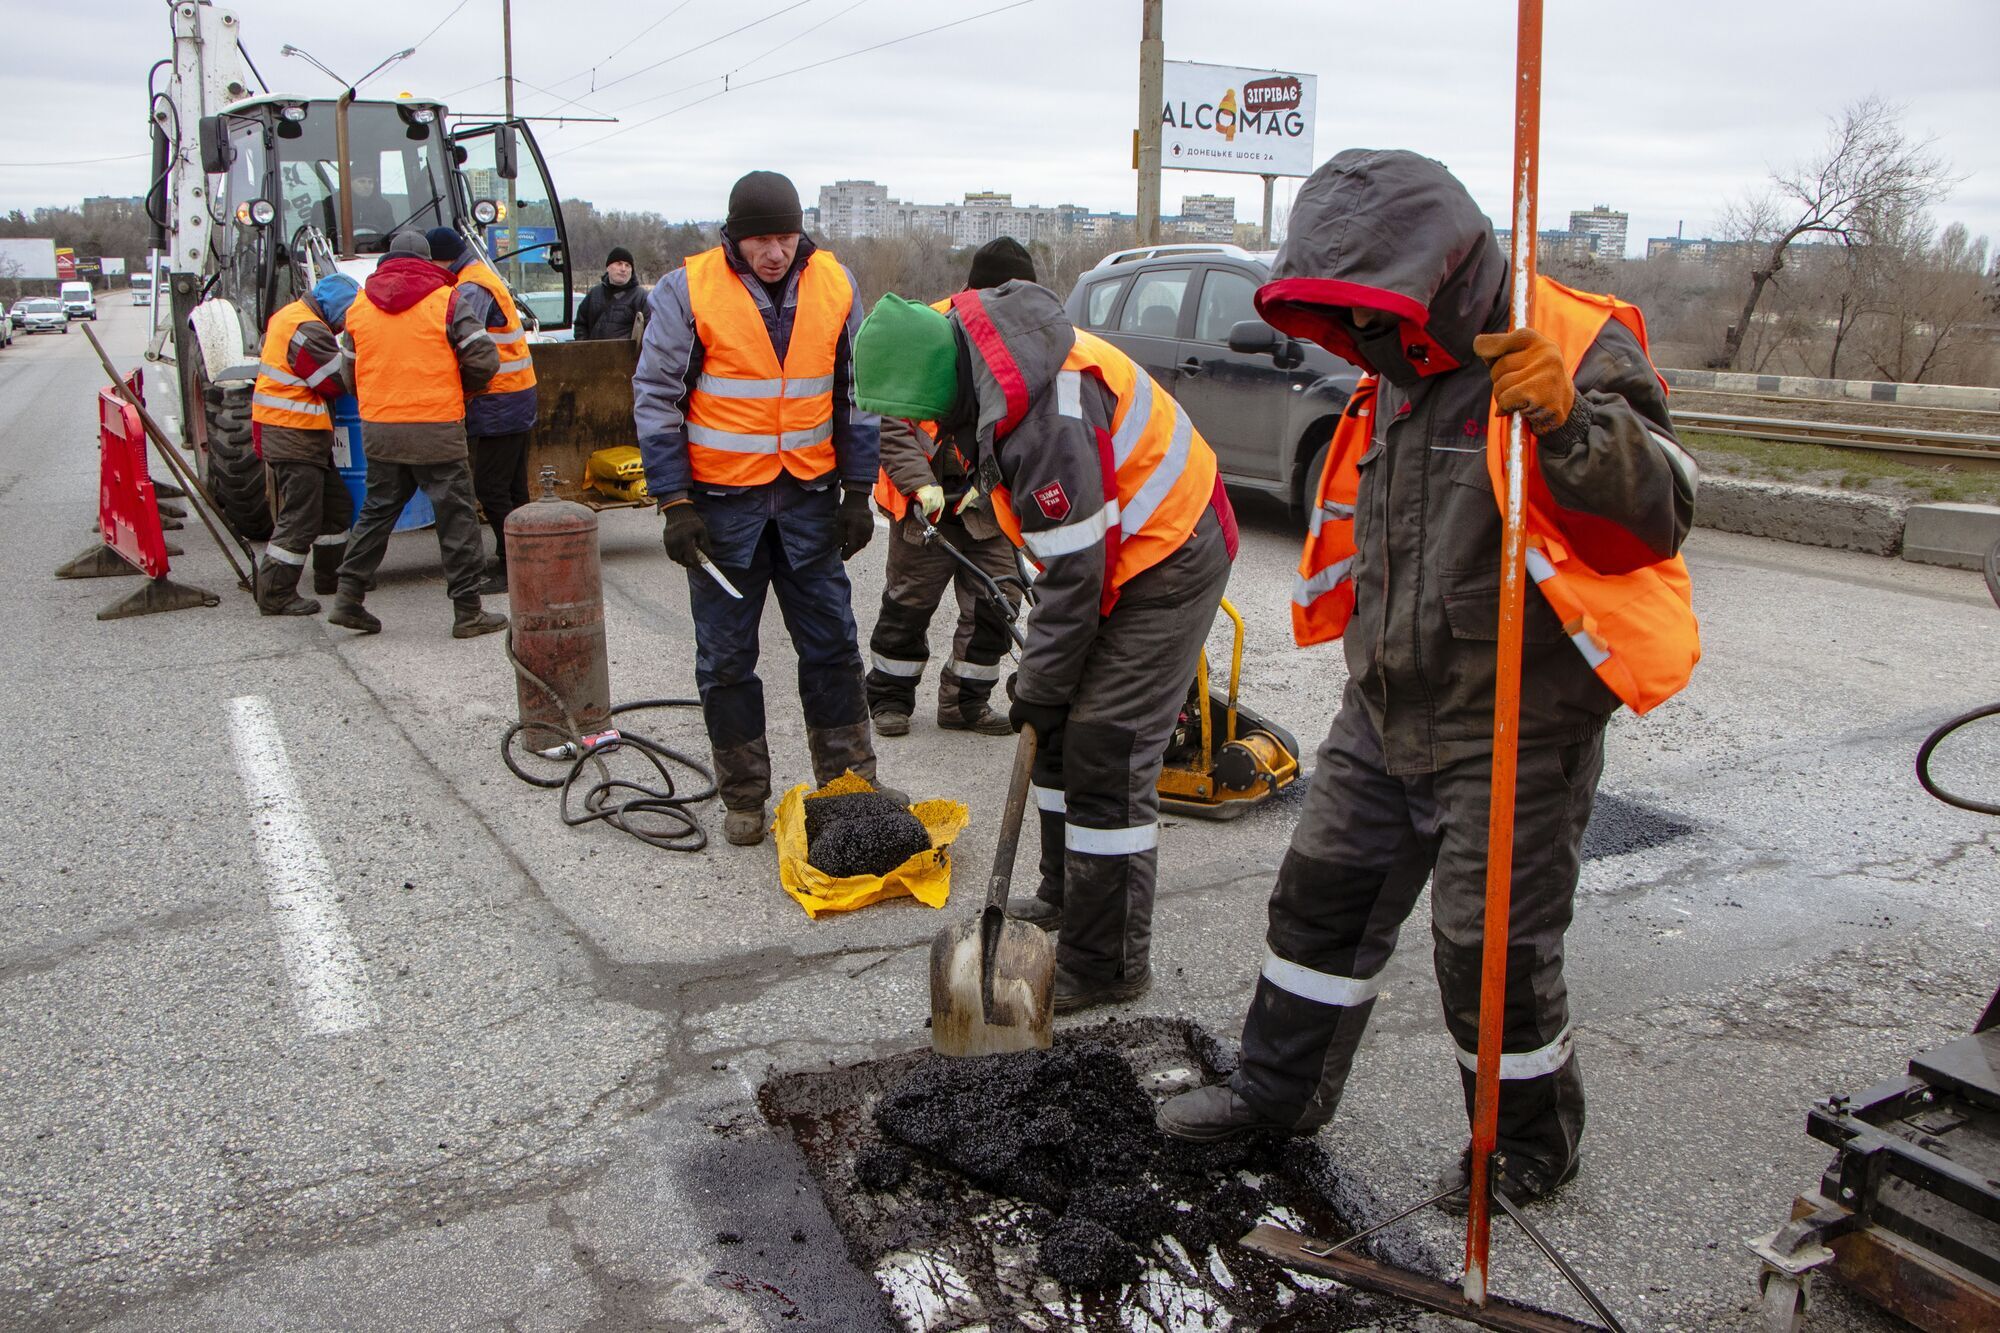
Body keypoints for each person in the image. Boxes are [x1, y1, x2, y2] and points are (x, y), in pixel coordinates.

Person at [1154, 150, 1701, 1210]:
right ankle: (1275, 1095)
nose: (1358, 345)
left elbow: (1662, 510)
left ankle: (1528, 1145)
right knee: (1318, 902)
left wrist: (1565, 425)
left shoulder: (1571, 342)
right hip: (1384, 704)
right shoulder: (1394, 361)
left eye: (1368, 319)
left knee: (1487, 951)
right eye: (1344, 323)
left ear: (1438, 280)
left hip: (1513, 719)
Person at [853, 278, 1238, 1013]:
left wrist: (1039, 680)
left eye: (920, 416)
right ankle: (1066, 891)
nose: (924, 430)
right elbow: (1068, 558)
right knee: (1060, 735)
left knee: (1108, 744)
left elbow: (1078, 571)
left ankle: (1109, 960)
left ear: (939, 385)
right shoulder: (975, 366)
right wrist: (1047, 685)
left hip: (1172, 549)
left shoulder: (1047, 413)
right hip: (1111, 549)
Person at [632, 170, 890, 847]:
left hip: (807, 504)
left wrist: (859, 492)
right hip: (721, 513)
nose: (775, 252)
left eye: (785, 237)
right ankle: (744, 795)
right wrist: (674, 503)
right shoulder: (687, 291)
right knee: (724, 660)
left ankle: (849, 787)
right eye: (760, 240)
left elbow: (857, 392)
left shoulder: (835, 285)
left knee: (833, 646)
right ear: (734, 237)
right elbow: (657, 401)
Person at [864, 237, 1041, 738]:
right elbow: (897, 427)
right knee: (909, 604)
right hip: (926, 506)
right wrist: (922, 486)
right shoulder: (926, 335)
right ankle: (890, 699)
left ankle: (965, 704)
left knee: (997, 601)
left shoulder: (1026, 343)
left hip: (985, 507)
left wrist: (987, 487)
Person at [328, 230, 509, 639]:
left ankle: (348, 599)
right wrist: (460, 389)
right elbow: (484, 360)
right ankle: (468, 612)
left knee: (376, 513)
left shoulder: (359, 308)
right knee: (456, 517)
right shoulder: (447, 301)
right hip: (436, 428)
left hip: (381, 431)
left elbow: (347, 376)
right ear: (429, 262)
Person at [426, 226, 538, 594]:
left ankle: (513, 567)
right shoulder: (479, 278)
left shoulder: (470, 288)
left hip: (498, 400)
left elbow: (459, 341)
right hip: (515, 396)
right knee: (512, 488)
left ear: (442, 257)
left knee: (492, 489)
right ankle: (524, 560)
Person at [249, 273, 360, 614]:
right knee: (301, 516)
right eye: (346, 317)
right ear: (336, 309)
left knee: (335, 507)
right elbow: (332, 381)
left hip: (300, 434)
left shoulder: (291, 317)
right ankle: (275, 593)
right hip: (294, 434)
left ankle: (331, 576)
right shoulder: (308, 329)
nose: (345, 324)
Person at [575, 246, 645, 341]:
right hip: (594, 354)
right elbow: (581, 324)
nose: (623, 269)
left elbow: (649, 331)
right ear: (608, 267)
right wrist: (584, 348)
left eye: (627, 265)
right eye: (619, 264)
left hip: (626, 355)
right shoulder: (594, 293)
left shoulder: (640, 297)